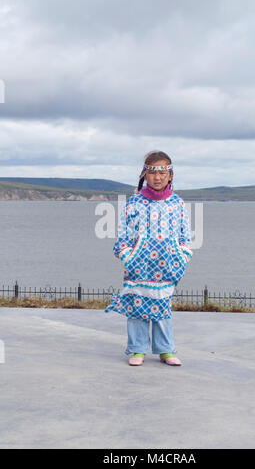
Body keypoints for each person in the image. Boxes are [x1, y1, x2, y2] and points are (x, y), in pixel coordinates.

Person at [104, 150, 193, 366]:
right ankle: (137, 350)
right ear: (145, 174)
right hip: (138, 265)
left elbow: (185, 233)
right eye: (153, 172)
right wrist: (127, 254)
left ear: (170, 175)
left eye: (163, 172)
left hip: (166, 265)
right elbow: (123, 232)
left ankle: (166, 350)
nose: (158, 177)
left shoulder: (177, 204)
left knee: (163, 306)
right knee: (137, 306)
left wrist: (183, 254)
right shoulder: (134, 203)